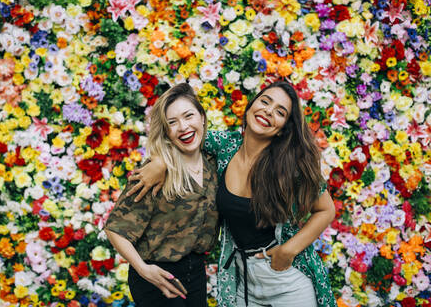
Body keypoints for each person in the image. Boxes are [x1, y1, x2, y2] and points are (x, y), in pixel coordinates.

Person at [127, 81, 337, 307]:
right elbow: (183, 135)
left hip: (285, 279)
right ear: (251, 106)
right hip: (242, 279)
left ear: (283, 127)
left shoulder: (290, 165)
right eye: (265, 101)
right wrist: (159, 162)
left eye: (280, 112)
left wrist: (287, 251)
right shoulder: (225, 146)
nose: (268, 111)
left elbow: (326, 210)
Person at [104, 83, 219, 307]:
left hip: (195, 271)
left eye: (189, 116)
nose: (183, 127)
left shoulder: (213, 162)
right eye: (172, 123)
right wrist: (143, 270)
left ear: (202, 117)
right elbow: (115, 228)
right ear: (166, 131)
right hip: (155, 274)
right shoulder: (154, 172)